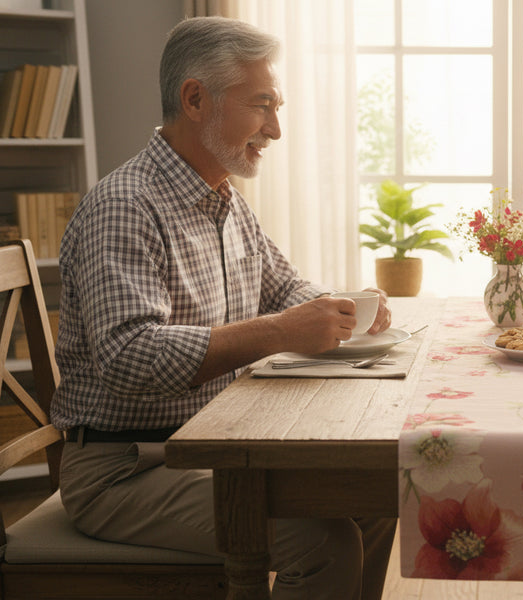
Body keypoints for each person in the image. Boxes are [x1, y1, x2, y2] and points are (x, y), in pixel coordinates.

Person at [50, 16, 395, 600]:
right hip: (123, 470)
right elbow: (130, 358)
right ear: (194, 99)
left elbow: (284, 289)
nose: (276, 130)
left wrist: (340, 309)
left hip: (212, 446)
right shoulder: (124, 206)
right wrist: (281, 331)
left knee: (370, 499)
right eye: (262, 105)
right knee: (323, 542)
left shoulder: (224, 199)